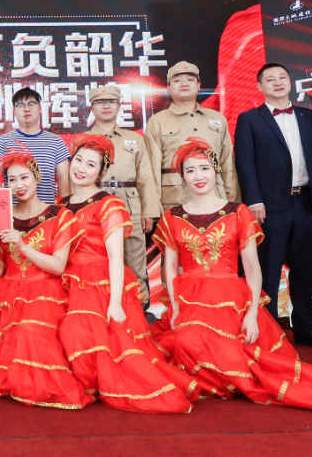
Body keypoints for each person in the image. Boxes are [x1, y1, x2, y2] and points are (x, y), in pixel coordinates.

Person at [151, 138, 312, 416]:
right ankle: (220, 378)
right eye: (190, 170)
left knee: (226, 349)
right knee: (185, 340)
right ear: (182, 177)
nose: (198, 176)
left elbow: (252, 267)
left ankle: (227, 378)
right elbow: (170, 267)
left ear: (216, 171)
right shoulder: (173, 217)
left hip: (230, 298)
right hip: (189, 298)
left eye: (204, 168)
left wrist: (251, 314)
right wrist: (175, 307)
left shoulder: (238, 212)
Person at [57, 134, 196, 413]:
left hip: (99, 282)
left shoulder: (108, 204)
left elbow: (115, 257)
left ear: (101, 171)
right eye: (78, 160)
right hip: (66, 278)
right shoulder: (61, 203)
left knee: (93, 338)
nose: (81, 168)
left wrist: (115, 303)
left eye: (91, 165)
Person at [0, 149, 91, 410]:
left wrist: (22, 245)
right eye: (11, 180)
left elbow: (58, 267)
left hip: (46, 292)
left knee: (30, 333)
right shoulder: (1, 217)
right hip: (7, 293)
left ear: (37, 177)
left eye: (24, 178)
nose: (19, 185)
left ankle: (38, 386)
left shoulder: (60, 215)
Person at [234, 63, 312, 351]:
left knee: (305, 272)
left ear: (290, 83)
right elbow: (245, 163)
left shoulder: (310, 117)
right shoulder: (249, 119)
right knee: (267, 273)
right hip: (270, 207)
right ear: (260, 87)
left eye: (282, 77)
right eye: (270, 79)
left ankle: (306, 330)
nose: (278, 82)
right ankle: (268, 336)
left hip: (308, 202)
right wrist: (254, 200)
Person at [86, 86, 161, 304]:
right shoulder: (83, 139)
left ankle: (140, 307)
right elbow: (76, 179)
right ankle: (102, 306)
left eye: (111, 101)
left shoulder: (134, 138)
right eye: (100, 102)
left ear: (119, 106)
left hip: (130, 205)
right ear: (92, 108)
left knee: (135, 260)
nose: (106, 105)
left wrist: (148, 211)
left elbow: (145, 176)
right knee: (98, 258)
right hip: (95, 205)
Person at [144, 62, 239, 213]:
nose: (184, 84)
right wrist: (154, 205)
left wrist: (232, 201)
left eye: (190, 79)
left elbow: (227, 163)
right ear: (168, 87)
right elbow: (151, 168)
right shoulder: (157, 121)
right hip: (174, 199)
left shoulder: (217, 118)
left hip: (216, 198)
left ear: (199, 85)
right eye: (177, 80)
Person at [0, 87, 71, 205]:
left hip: (48, 211)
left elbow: (63, 179)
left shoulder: (56, 141)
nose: (26, 109)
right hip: (14, 212)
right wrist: (2, 209)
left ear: (40, 108)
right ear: (14, 111)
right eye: (20, 105)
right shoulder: (3, 141)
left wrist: (62, 210)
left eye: (31, 104)